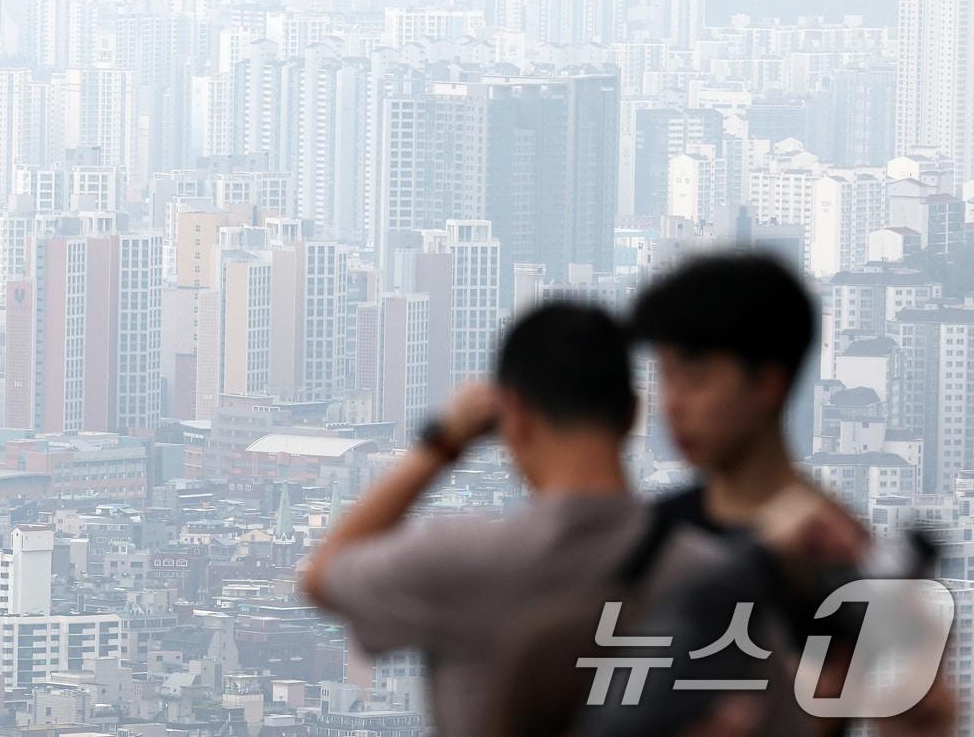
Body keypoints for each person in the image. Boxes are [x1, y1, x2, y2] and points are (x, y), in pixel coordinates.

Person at [298, 302, 735, 736]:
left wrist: (444, 441)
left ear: (514, 415)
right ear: (633, 414)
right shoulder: (711, 576)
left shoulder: (459, 560)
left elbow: (321, 577)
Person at [630, 252, 954, 736]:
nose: (672, 405)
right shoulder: (652, 533)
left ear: (767, 383)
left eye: (694, 380)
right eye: (666, 378)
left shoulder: (839, 559)